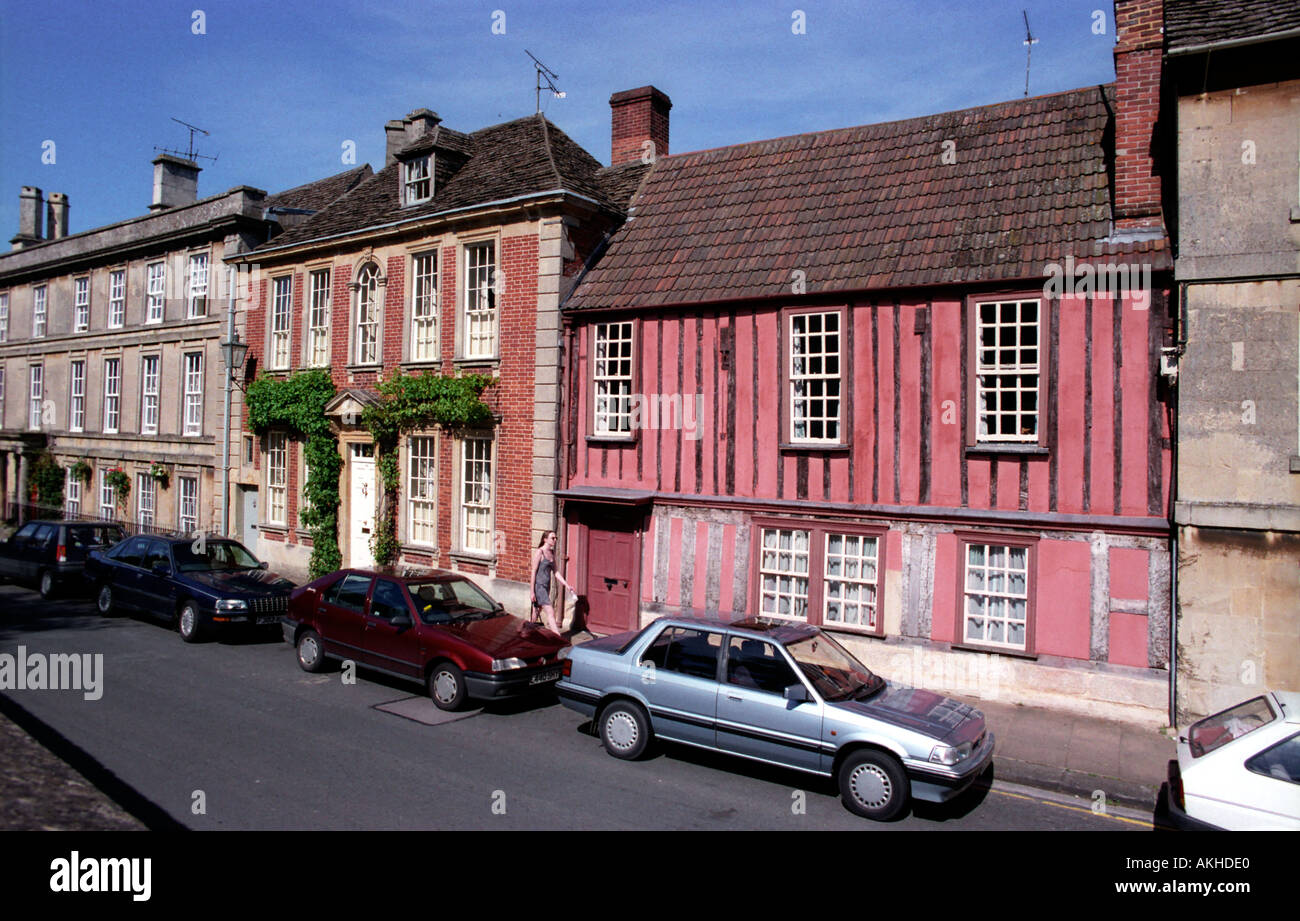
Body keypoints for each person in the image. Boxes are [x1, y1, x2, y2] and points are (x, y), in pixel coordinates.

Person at [530, 530, 573, 634]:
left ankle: (527, 630)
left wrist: (566, 585)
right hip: (539, 586)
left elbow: (556, 572)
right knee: (550, 611)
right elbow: (533, 571)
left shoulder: (551, 553)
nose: (555, 540)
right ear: (545, 539)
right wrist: (532, 592)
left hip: (546, 586)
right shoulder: (540, 552)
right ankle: (558, 637)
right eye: (552, 538)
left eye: (555, 538)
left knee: (537, 611)